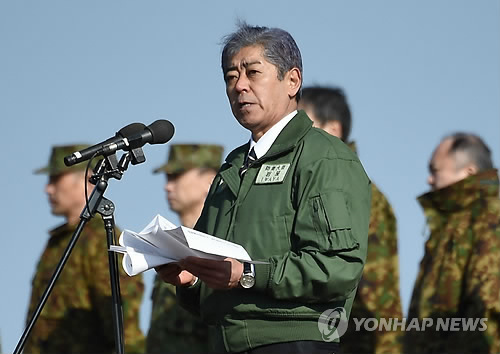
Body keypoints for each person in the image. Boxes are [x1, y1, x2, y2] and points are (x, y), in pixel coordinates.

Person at [155, 22, 371, 354]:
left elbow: (337, 267)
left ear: (292, 81)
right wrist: (191, 278)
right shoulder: (234, 165)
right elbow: (215, 271)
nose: (239, 86)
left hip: (293, 342)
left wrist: (249, 274)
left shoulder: (323, 157)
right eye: (230, 77)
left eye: (253, 73)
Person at [298, 86, 403, 353]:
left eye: (302, 123)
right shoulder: (311, 183)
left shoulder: (353, 189)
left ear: (333, 129)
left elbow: (372, 293)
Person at [25, 144, 145, 354]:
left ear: (87, 178)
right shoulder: (60, 241)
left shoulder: (99, 238)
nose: (48, 189)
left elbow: (121, 324)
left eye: (56, 179)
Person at [405, 133, 500, 354]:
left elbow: (488, 314)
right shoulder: (450, 226)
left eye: (435, 170)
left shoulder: (489, 220)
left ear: (469, 172)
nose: (429, 179)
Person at [146, 143, 223, 354]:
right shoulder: (169, 247)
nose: (167, 186)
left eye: (177, 176)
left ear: (210, 180)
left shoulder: (219, 248)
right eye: (167, 177)